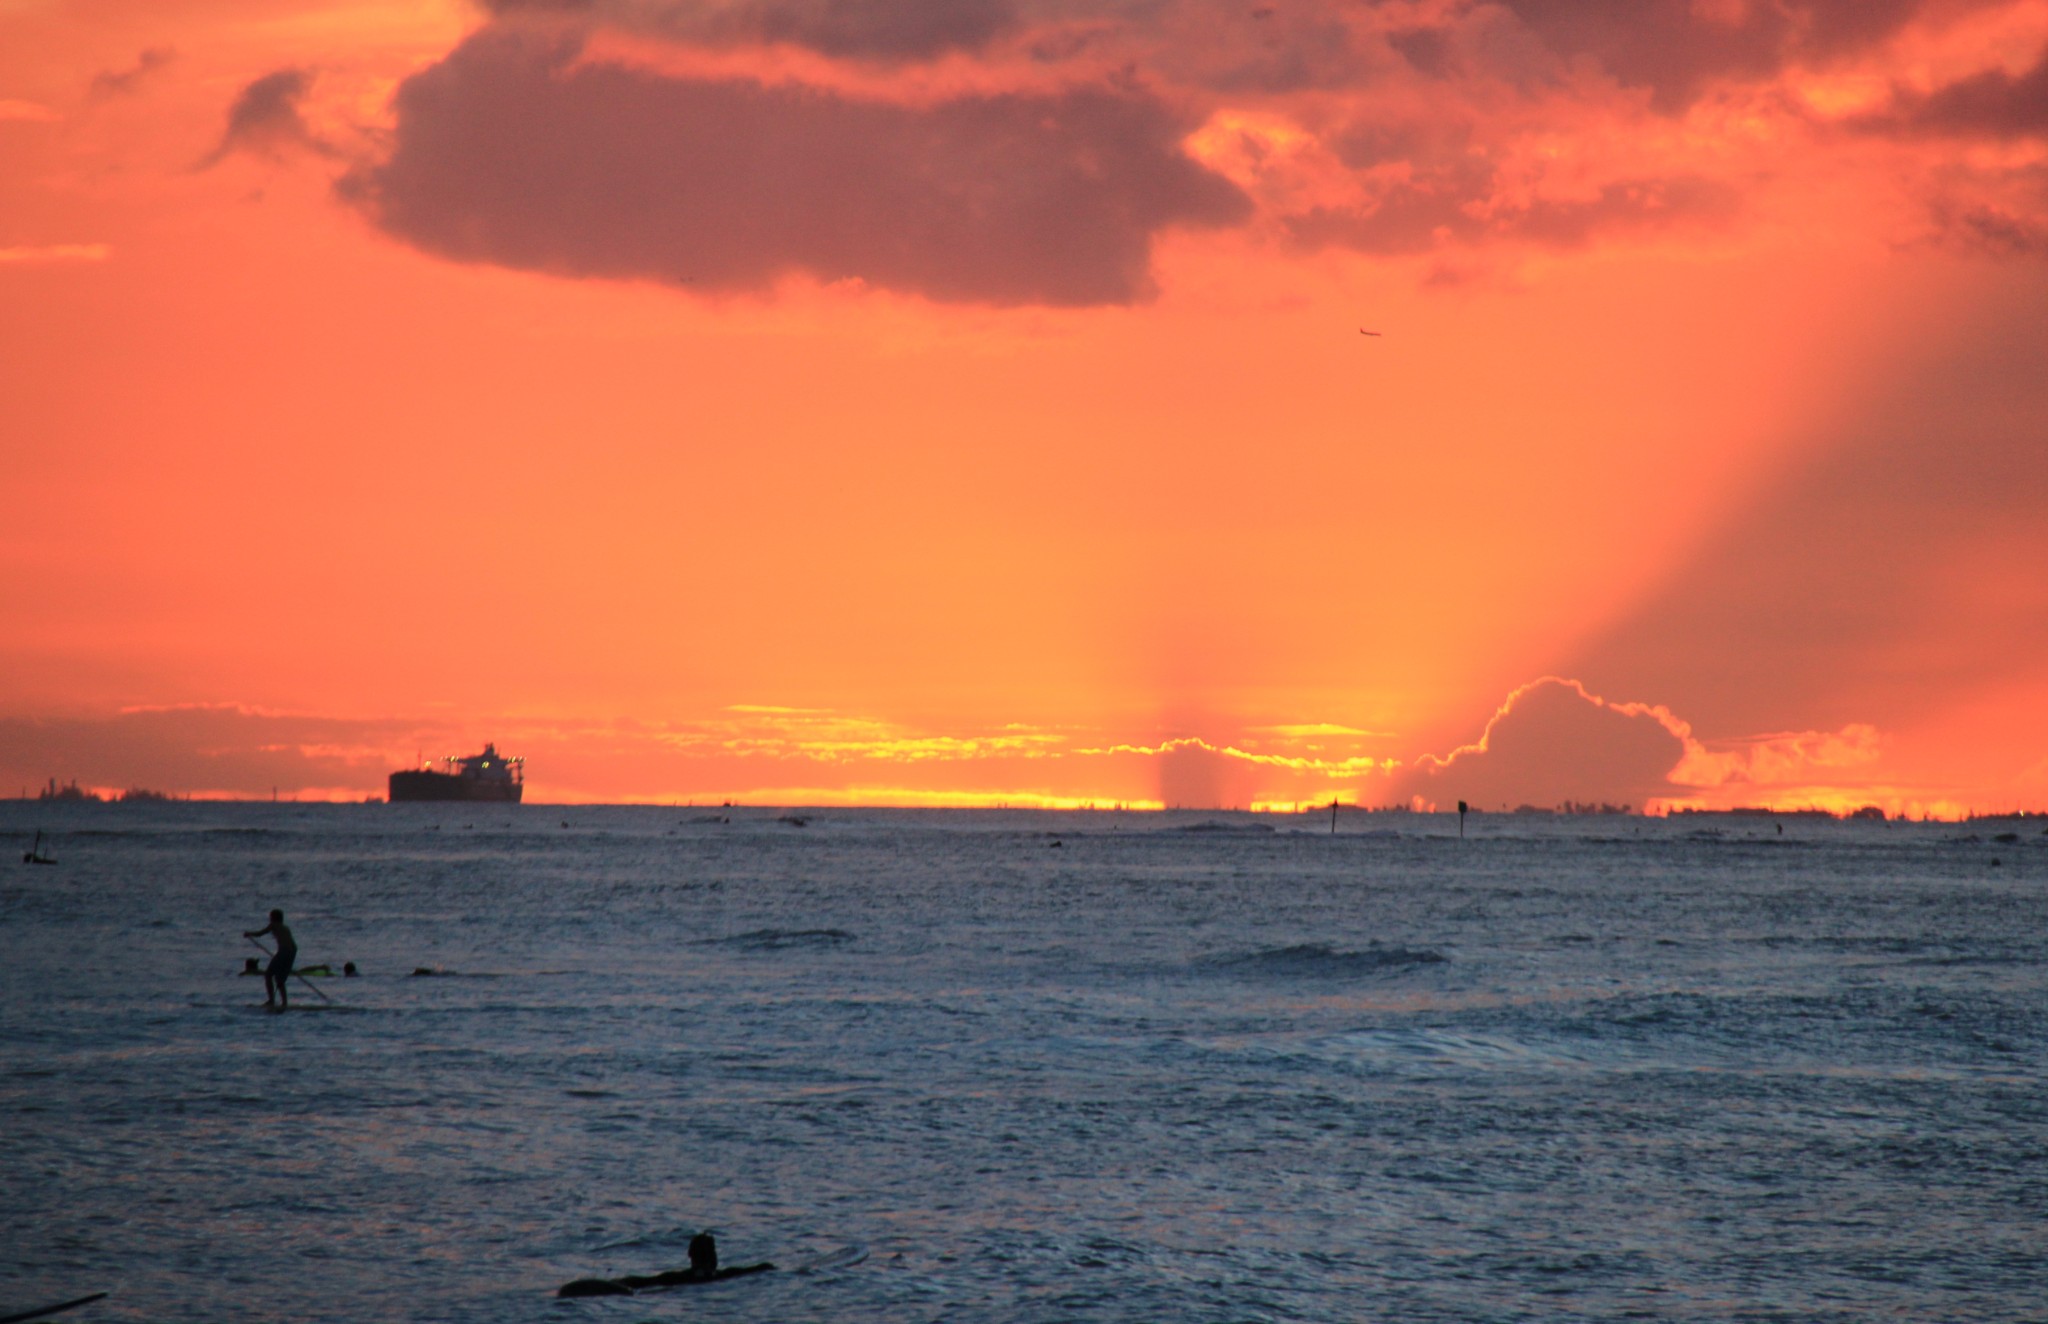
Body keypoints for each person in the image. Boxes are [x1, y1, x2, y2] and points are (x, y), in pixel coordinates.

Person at [243, 909, 297, 1009]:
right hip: (292, 952)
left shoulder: (273, 925)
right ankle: (284, 1003)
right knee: (280, 980)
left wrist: (249, 934)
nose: (269, 919)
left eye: (270, 917)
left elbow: (260, 933)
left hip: (284, 952)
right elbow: (293, 946)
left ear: (274, 918)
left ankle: (271, 1001)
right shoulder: (286, 927)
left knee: (268, 975)